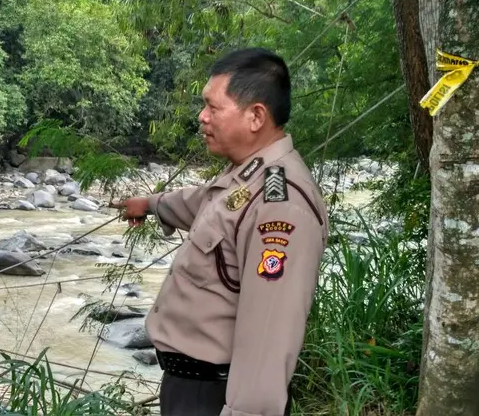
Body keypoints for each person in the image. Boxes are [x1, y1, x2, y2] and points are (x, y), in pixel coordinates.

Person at [116, 48, 329, 416]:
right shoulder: (247, 176)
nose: (202, 117)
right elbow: (205, 204)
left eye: (213, 107)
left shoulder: (281, 205)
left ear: (255, 116)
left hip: (216, 398)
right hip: (191, 389)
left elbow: (268, 337)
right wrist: (150, 204)